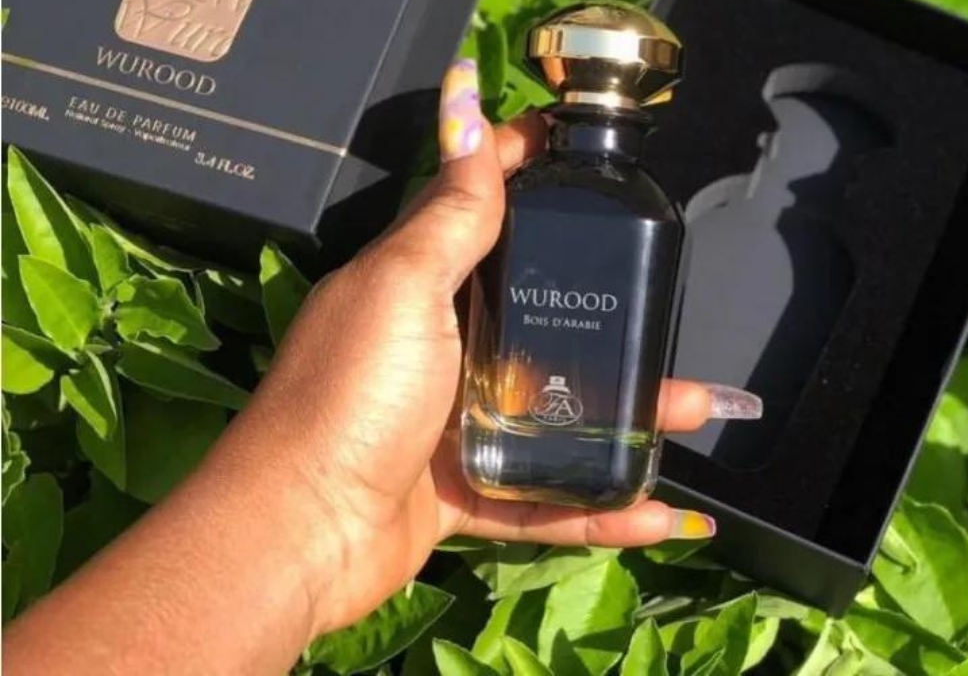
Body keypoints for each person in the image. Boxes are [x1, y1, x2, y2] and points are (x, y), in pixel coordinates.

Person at [5, 60, 761, 676]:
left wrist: (313, 516)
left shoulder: (641, 208)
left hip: (473, 458)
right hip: (478, 453)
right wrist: (317, 504)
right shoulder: (599, 203)